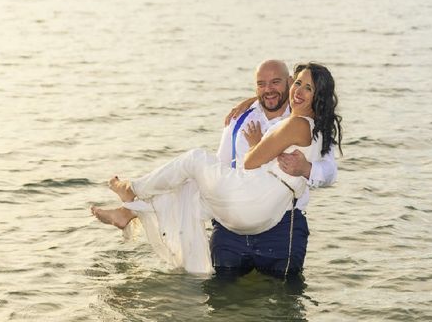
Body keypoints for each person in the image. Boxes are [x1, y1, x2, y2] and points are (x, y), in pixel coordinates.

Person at [91, 62, 342, 277]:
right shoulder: (260, 119)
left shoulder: (295, 123)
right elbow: (229, 165)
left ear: (289, 83)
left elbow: (254, 162)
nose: (296, 90)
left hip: (274, 217)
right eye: (298, 84)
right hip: (247, 213)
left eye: (305, 87)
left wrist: (301, 165)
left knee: (195, 159)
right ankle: (128, 212)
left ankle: (131, 189)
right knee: (189, 185)